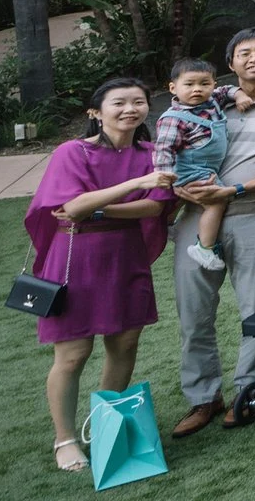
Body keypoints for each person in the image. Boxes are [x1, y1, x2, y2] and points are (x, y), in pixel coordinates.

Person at [26, 77, 175, 470]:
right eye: (119, 102)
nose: (130, 109)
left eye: (138, 101)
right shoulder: (72, 152)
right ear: (96, 112)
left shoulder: (153, 152)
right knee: (73, 354)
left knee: (124, 344)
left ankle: (105, 424)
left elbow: (153, 209)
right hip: (75, 258)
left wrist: (95, 208)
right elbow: (67, 208)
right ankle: (65, 440)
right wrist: (138, 185)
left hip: (126, 255)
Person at [168, 30, 255, 437]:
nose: (254, 59)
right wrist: (175, 185)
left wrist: (235, 190)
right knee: (193, 313)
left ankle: (249, 390)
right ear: (230, 64)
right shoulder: (204, 100)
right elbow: (169, 150)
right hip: (196, 219)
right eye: (244, 53)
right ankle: (202, 397)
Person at [151, 58, 234, 273]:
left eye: (204, 84)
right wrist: (165, 176)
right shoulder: (173, 118)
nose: (197, 89)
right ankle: (204, 247)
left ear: (213, 85)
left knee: (178, 202)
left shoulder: (213, 101)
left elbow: (227, 90)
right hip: (191, 169)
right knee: (217, 200)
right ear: (173, 88)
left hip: (205, 167)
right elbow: (163, 149)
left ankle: (168, 225)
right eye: (189, 84)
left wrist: (238, 94)